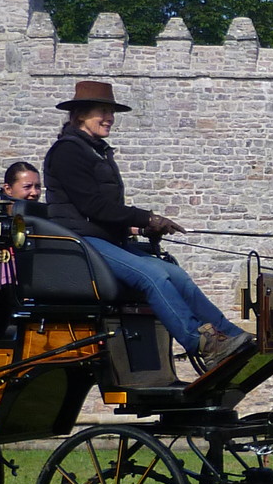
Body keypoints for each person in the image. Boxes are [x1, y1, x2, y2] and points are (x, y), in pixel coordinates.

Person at [42, 80, 254, 368]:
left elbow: (106, 210)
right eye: (101, 112)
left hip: (103, 238)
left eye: (111, 112)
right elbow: (93, 207)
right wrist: (147, 218)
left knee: (175, 275)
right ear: (80, 115)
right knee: (152, 275)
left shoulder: (95, 150)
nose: (109, 118)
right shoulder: (68, 151)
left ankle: (230, 336)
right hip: (80, 242)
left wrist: (141, 228)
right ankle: (201, 341)